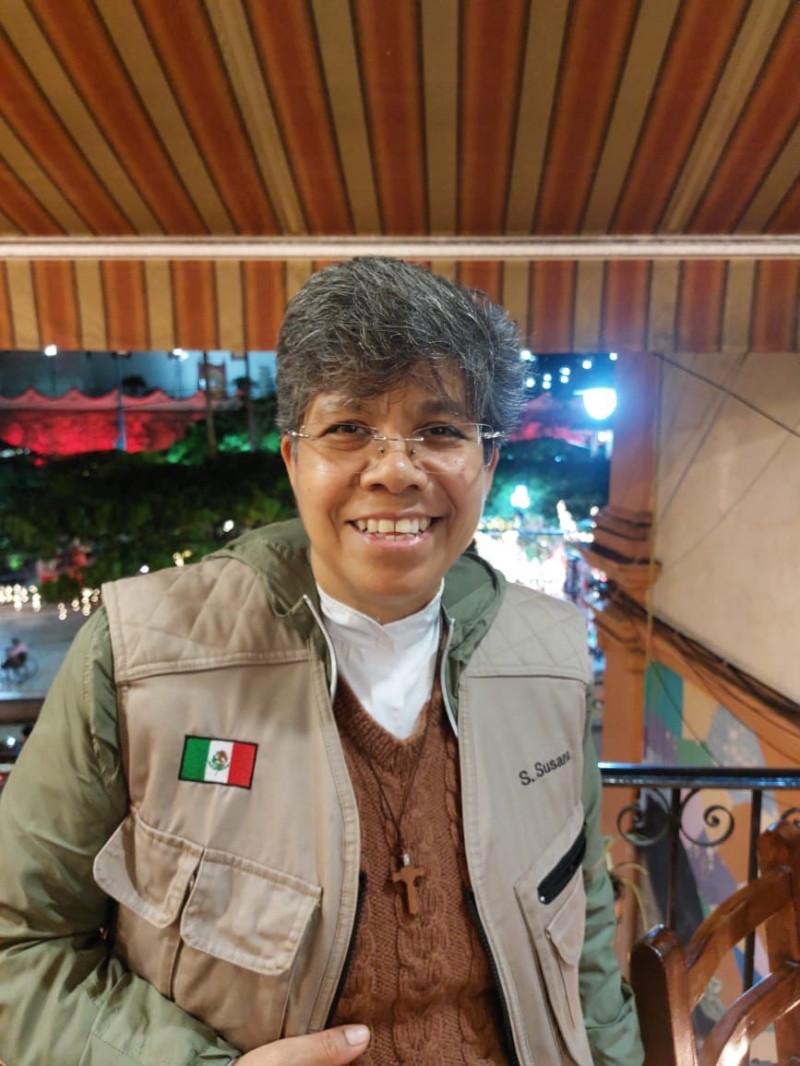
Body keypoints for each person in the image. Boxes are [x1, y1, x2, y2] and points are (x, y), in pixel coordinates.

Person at [0, 258, 643, 1065]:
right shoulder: (136, 657)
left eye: (441, 431)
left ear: (488, 461)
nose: (395, 469)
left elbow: (583, 929)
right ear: (292, 458)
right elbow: (19, 944)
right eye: (348, 429)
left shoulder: (550, 656)